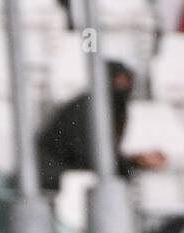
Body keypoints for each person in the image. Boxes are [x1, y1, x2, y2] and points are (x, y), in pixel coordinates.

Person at [37, 61, 167, 192]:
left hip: (77, 173)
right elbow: (89, 155)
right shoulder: (86, 107)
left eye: (127, 80)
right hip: (56, 176)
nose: (124, 85)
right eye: (118, 81)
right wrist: (133, 162)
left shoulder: (115, 108)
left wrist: (136, 161)